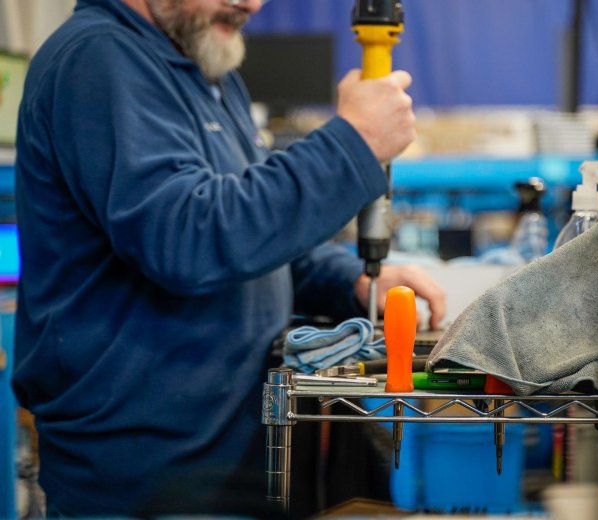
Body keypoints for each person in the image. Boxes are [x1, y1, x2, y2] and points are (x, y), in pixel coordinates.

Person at [11, 0, 446, 516]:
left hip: (224, 460)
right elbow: (186, 239)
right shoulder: (99, 61)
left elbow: (254, 239)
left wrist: (347, 278)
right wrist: (352, 144)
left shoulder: (204, 70)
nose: (251, 3)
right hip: (145, 479)